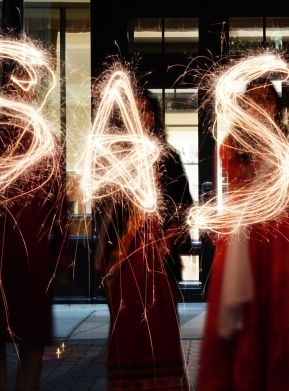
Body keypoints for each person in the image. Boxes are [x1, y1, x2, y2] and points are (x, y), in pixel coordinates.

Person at [197, 81, 289, 391]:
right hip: (247, 237)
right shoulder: (232, 145)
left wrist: (278, 191)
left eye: (268, 98)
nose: (262, 104)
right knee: (248, 312)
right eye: (255, 99)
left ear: (277, 106)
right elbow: (237, 186)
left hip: (281, 240)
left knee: (280, 313)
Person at [0, 119, 70, 391]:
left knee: (27, 345)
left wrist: (62, 248)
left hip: (24, 254)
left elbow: (58, 202)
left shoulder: (45, 141)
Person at [97, 92, 193, 391]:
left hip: (157, 262)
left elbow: (183, 207)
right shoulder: (115, 160)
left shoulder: (168, 157)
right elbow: (106, 212)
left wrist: (168, 239)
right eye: (138, 111)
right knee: (127, 331)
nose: (144, 117)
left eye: (149, 111)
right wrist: (109, 253)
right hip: (124, 261)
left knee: (160, 331)